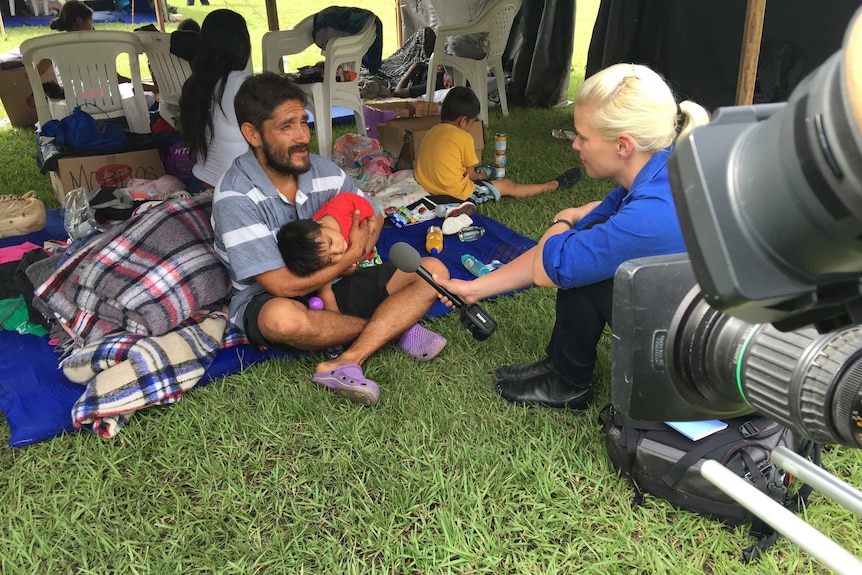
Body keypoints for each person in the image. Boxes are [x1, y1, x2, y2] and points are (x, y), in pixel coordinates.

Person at [434, 63, 710, 411]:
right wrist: (473, 289)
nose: (575, 145)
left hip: (704, 364)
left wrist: (563, 219)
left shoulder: (652, 212)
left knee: (584, 262)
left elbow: (556, 263)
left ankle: (567, 381)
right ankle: (562, 370)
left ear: (623, 145)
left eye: (583, 137)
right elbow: (565, 251)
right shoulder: (660, 168)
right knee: (589, 251)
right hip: (699, 321)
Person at [212, 72, 449, 406]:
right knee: (281, 319)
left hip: (340, 279)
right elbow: (280, 285)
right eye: (286, 126)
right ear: (252, 133)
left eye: (303, 123)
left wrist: (356, 249)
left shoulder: (323, 170)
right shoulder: (235, 196)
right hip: (272, 297)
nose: (301, 137)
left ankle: (347, 358)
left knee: (432, 271)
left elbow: (374, 216)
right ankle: (391, 326)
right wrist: (351, 255)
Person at [414, 87, 583, 202]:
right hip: (452, 193)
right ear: (463, 120)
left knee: (486, 169)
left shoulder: (432, 131)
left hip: (427, 185)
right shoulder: (463, 137)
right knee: (508, 185)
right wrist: (480, 177)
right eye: (472, 122)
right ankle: (552, 186)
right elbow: (472, 175)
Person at [180, 9, 251, 192]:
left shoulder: (194, 84)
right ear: (241, 43)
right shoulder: (239, 83)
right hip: (235, 190)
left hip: (200, 183)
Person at [276, 193, 381, 311]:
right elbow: (326, 293)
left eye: (330, 242)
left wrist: (372, 219)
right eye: (330, 259)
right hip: (352, 278)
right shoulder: (321, 262)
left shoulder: (340, 207)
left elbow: (359, 202)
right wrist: (337, 318)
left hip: (369, 257)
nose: (338, 251)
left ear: (319, 224)